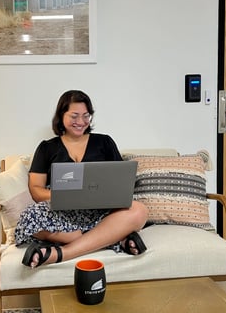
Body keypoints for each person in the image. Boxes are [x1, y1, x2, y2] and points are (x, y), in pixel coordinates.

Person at [15, 90, 149, 268]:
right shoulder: (47, 148)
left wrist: (105, 196)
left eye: (86, 116)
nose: (81, 122)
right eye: (74, 116)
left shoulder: (104, 142)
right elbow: (36, 190)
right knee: (29, 217)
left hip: (100, 212)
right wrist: (64, 196)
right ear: (61, 116)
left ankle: (60, 253)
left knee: (140, 211)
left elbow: (119, 181)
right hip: (60, 213)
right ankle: (113, 237)